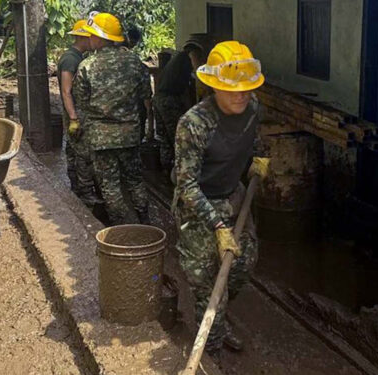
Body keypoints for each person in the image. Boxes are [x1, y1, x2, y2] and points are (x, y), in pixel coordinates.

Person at [173, 41, 269, 354]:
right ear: (214, 86)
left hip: (234, 195)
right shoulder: (194, 124)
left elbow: (255, 137)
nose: (242, 94)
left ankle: (220, 319)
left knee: (242, 267)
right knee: (206, 284)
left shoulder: (252, 107)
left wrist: (260, 157)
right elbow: (186, 186)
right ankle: (210, 353)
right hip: (198, 207)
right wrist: (217, 225)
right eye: (234, 89)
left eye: (247, 88)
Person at [73, 12, 151, 225]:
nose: (89, 38)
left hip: (101, 138)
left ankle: (121, 228)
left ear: (99, 38)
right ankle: (145, 221)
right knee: (135, 180)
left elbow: (81, 101)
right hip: (130, 134)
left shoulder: (87, 66)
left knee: (110, 186)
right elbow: (146, 95)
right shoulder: (135, 62)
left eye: (91, 35)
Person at [58, 20, 101, 209]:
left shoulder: (78, 57)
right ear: (85, 37)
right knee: (82, 152)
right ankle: (85, 193)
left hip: (76, 111)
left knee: (74, 150)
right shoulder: (70, 59)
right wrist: (74, 118)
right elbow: (66, 91)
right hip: (75, 112)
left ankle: (77, 188)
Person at [153, 34, 210, 176]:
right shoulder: (192, 54)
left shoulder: (178, 59)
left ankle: (166, 170)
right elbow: (200, 77)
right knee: (179, 138)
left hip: (159, 98)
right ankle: (180, 174)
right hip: (169, 101)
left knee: (165, 138)